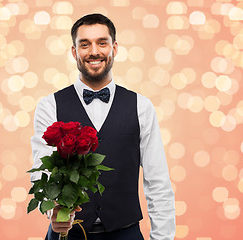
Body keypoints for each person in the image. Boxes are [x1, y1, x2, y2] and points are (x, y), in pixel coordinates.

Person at [30, 13, 175, 240]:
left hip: (126, 233)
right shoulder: (50, 105)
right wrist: (54, 211)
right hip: (68, 234)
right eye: (84, 44)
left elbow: (158, 181)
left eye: (102, 42)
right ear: (74, 51)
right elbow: (43, 169)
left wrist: (163, 238)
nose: (94, 52)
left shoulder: (141, 107)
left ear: (114, 48)